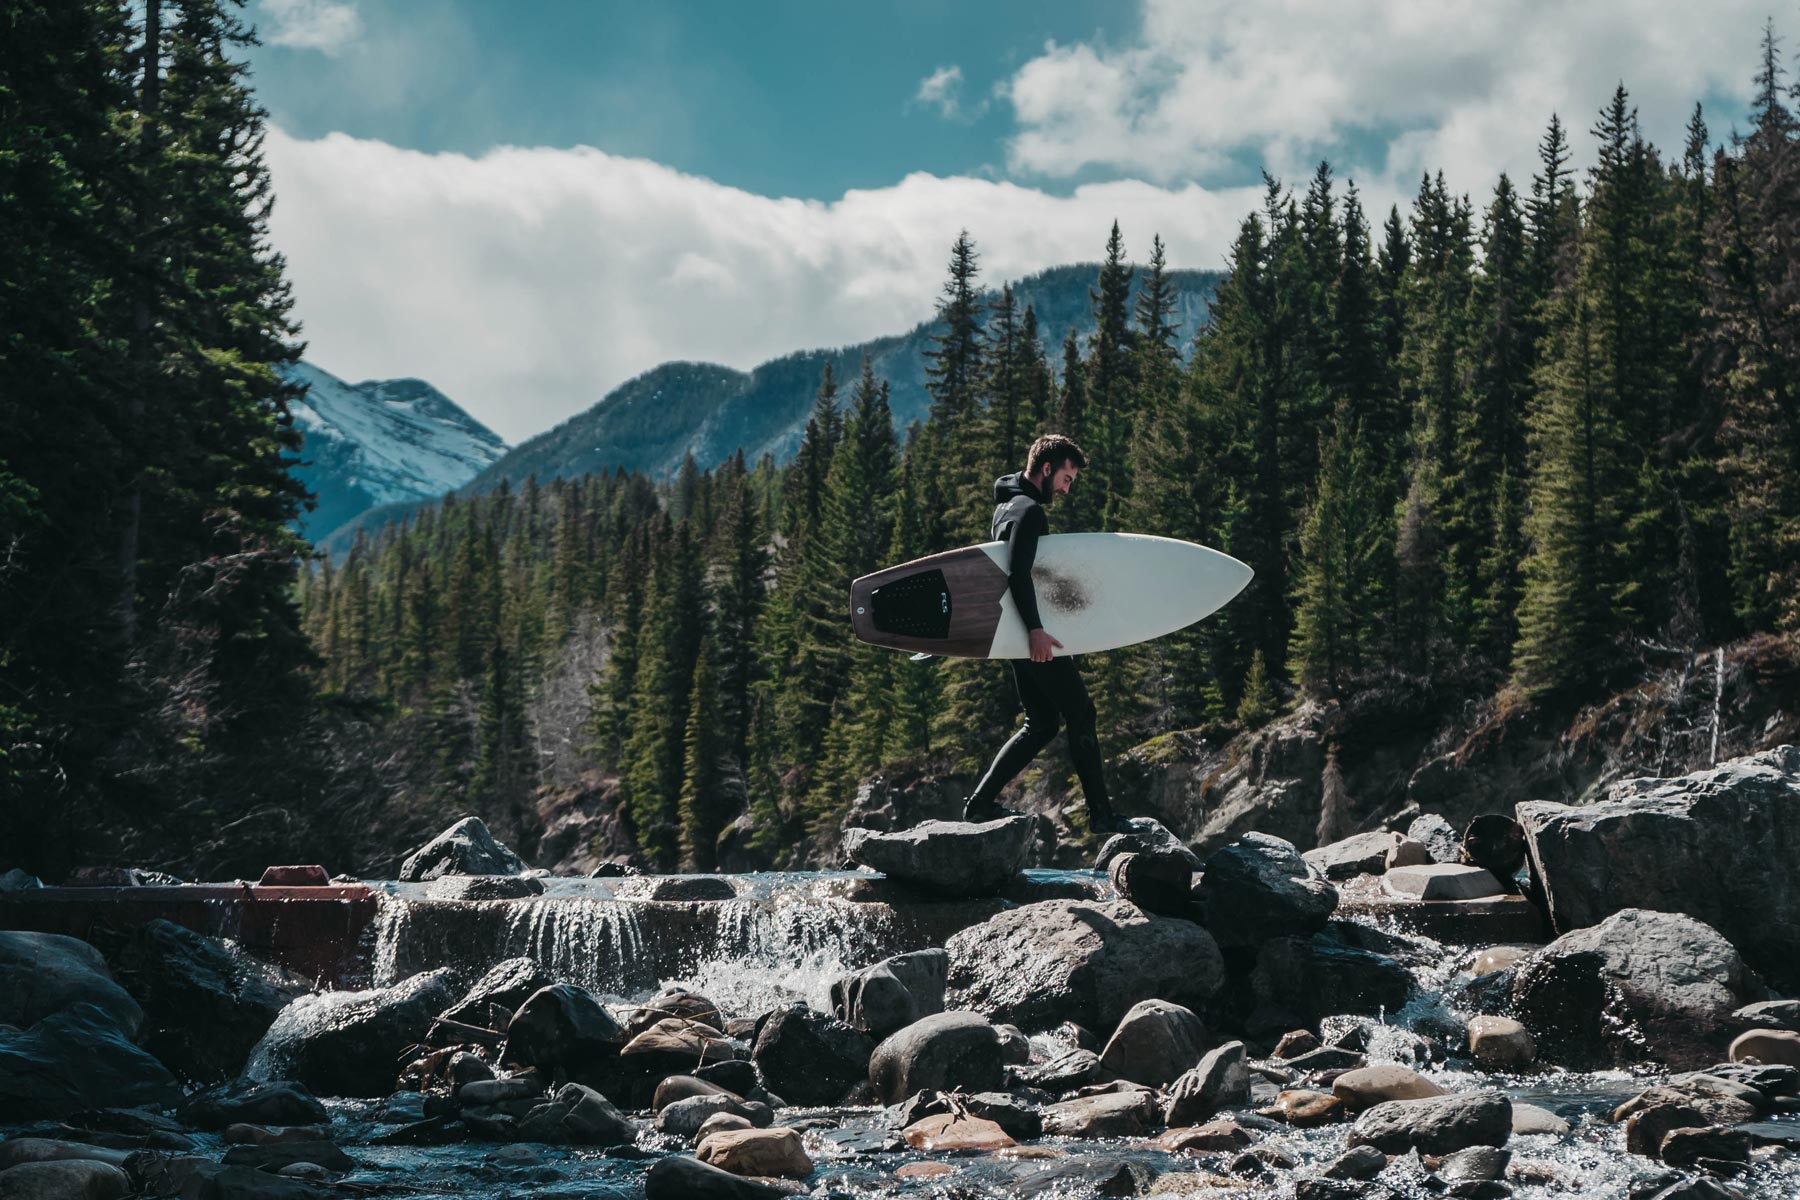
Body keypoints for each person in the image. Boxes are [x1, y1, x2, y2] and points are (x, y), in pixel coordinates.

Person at [962, 433, 1127, 834]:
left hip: (1015, 631)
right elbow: (1017, 573)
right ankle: (1102, 817)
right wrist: (1036, 630)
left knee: (1042, 722)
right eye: (1067, 479)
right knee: (1080, 711)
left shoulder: (1007, 506)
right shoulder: (1029, 512)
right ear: (1048, 468)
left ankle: (980, 805)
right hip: (1030, 630)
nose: (1068, 489)